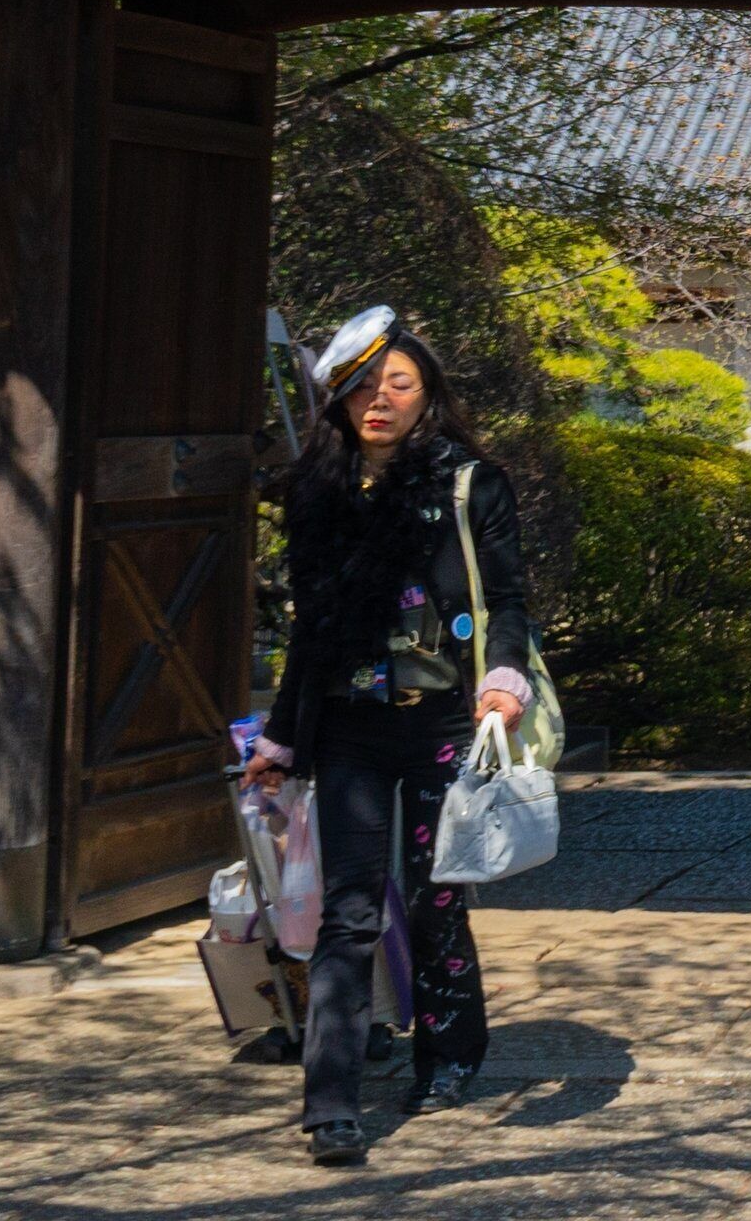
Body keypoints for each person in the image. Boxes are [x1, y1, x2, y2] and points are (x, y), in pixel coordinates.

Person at [241, 307, 537, 1164]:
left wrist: (502, 680)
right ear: (336, 400)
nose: (380, 399)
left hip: (447, 721)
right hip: (350, 730)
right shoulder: (317, 493)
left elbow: (508, 599)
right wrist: (282, 739)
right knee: (348, 914)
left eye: (398, 383)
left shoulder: (470, 483)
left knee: (440, 896)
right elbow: (313, 628)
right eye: (363, 386)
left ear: (427, 393)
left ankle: (448, 1056)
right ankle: (329, 1103)